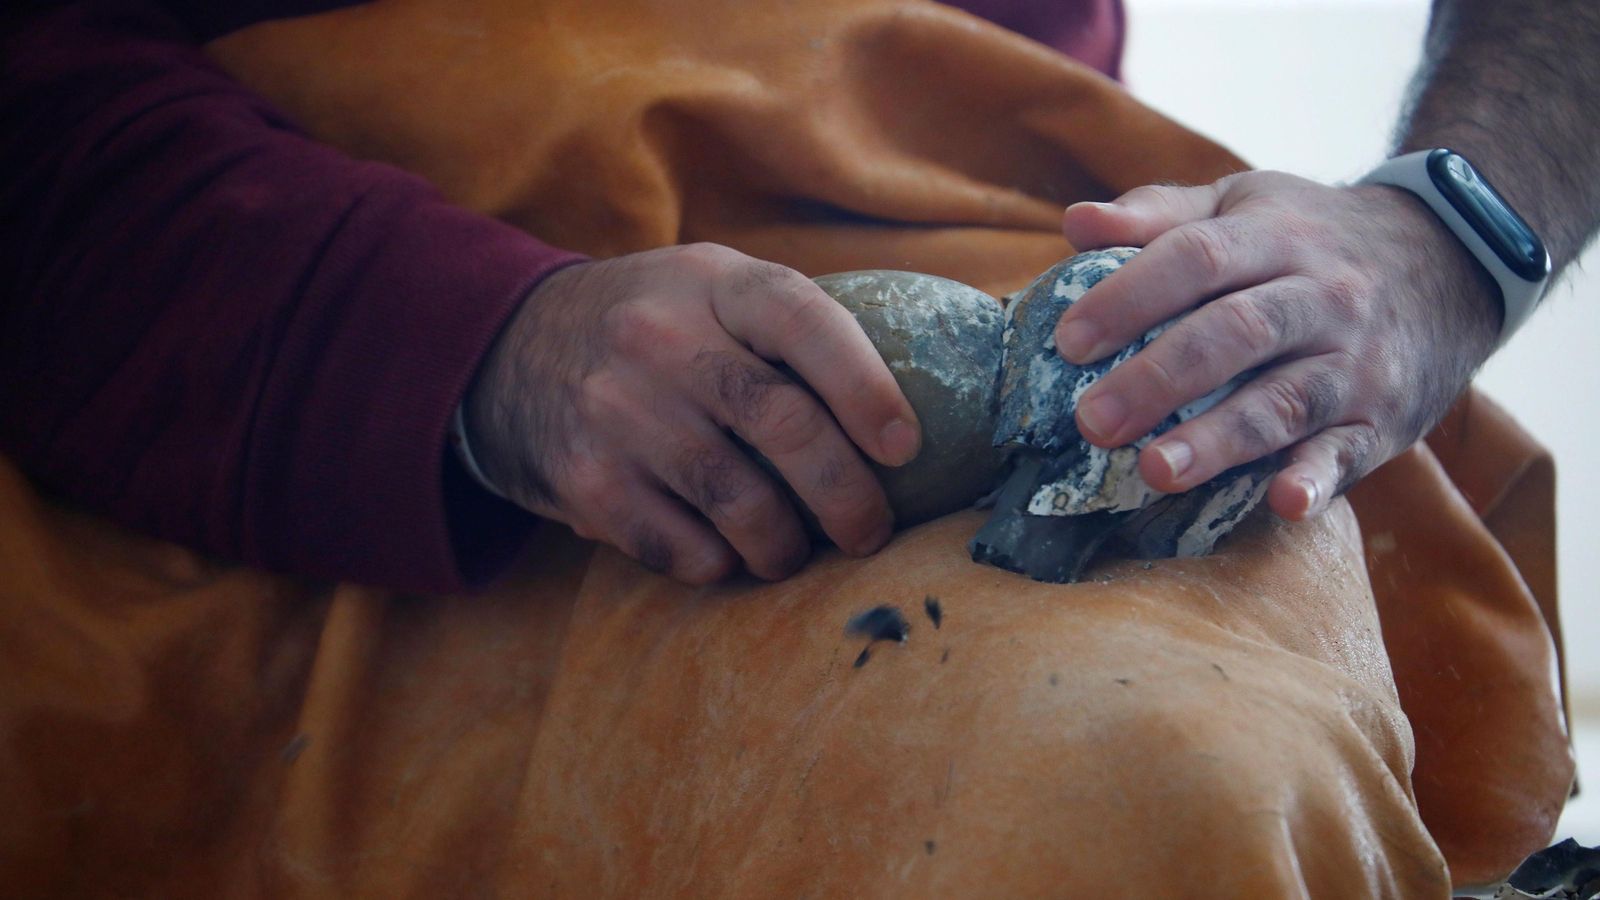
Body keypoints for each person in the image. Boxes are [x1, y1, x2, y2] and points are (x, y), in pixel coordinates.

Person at [0, 0, 1585, 894]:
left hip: (1024, 303)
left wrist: (1444, 238)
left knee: (1137, 781)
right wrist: (473, 348)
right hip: (222, 361)